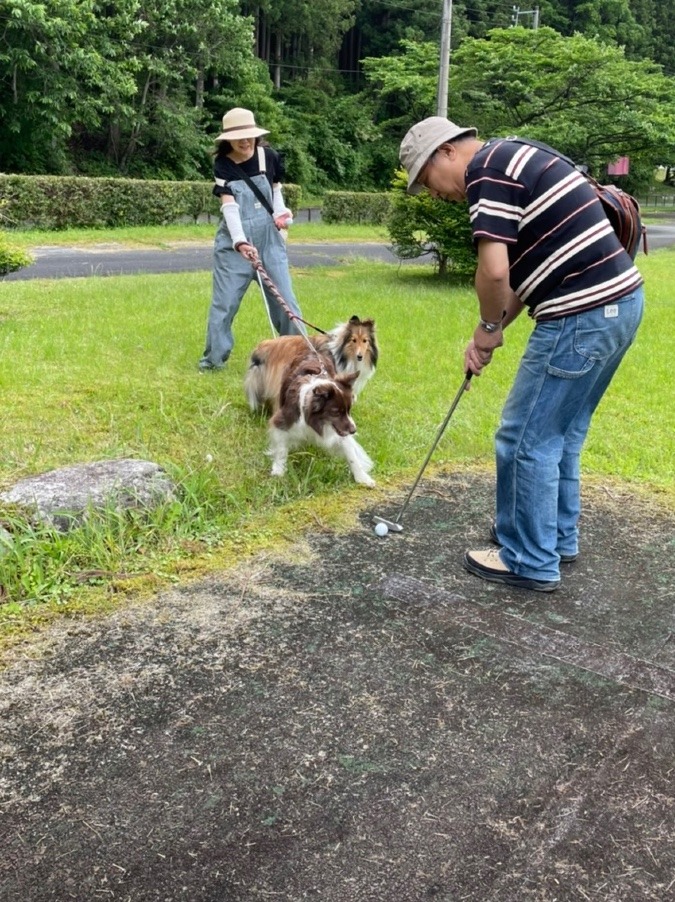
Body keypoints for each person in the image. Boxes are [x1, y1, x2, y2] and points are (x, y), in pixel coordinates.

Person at [399, 117, 644, 592]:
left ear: (445, 152)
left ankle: (529, 558)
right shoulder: (514, 154)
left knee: (524, 438)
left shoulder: (485, 171)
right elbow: (522, 280)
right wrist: (485, 336)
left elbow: (492, 274)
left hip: (580, 315)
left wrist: (489, 326)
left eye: (427, 182)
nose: (435, 195)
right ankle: (553, 536)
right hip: (620, 304)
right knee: (561, 431)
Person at [199, 108, 306, 371]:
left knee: (286, 301)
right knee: (224, 304)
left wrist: (281, 215)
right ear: (228, 140)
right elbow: (229, 207)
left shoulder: (268, 157)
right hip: (233, 246)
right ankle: (212, 361)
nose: (245, 142)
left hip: (269, 240)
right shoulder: (223, 164)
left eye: (250, 137)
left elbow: (275, 192)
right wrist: (240, 242)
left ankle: (300, 357)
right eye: (239, 139)